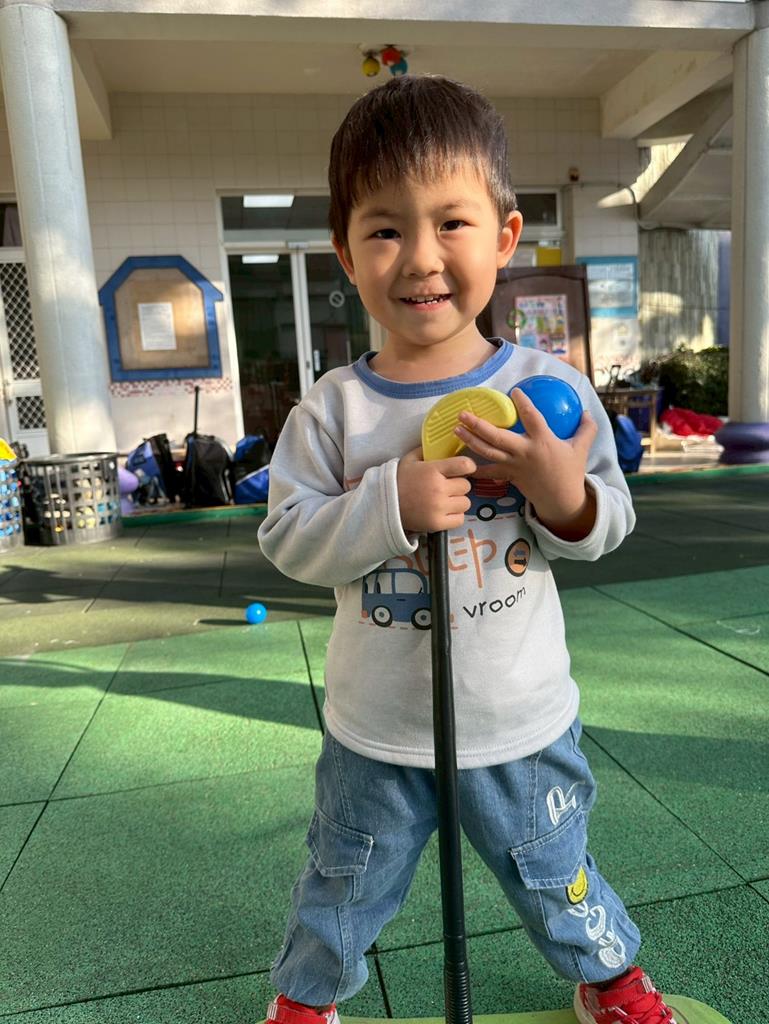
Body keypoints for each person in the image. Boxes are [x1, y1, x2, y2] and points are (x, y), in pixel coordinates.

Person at [257, 75, 674, 1024]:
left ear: (504, 236)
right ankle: (306, 1001)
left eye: (451, 222)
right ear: (344, 252)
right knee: (342, 882)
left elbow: (605, 522)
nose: (420, 257)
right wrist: (389, 500)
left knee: (555, 870)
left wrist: (559, 491)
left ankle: (608, 976)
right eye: (384, 229)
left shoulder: (543, 388)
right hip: (375, 731)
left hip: (518, 719)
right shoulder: (334, 409)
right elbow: (286, 536)